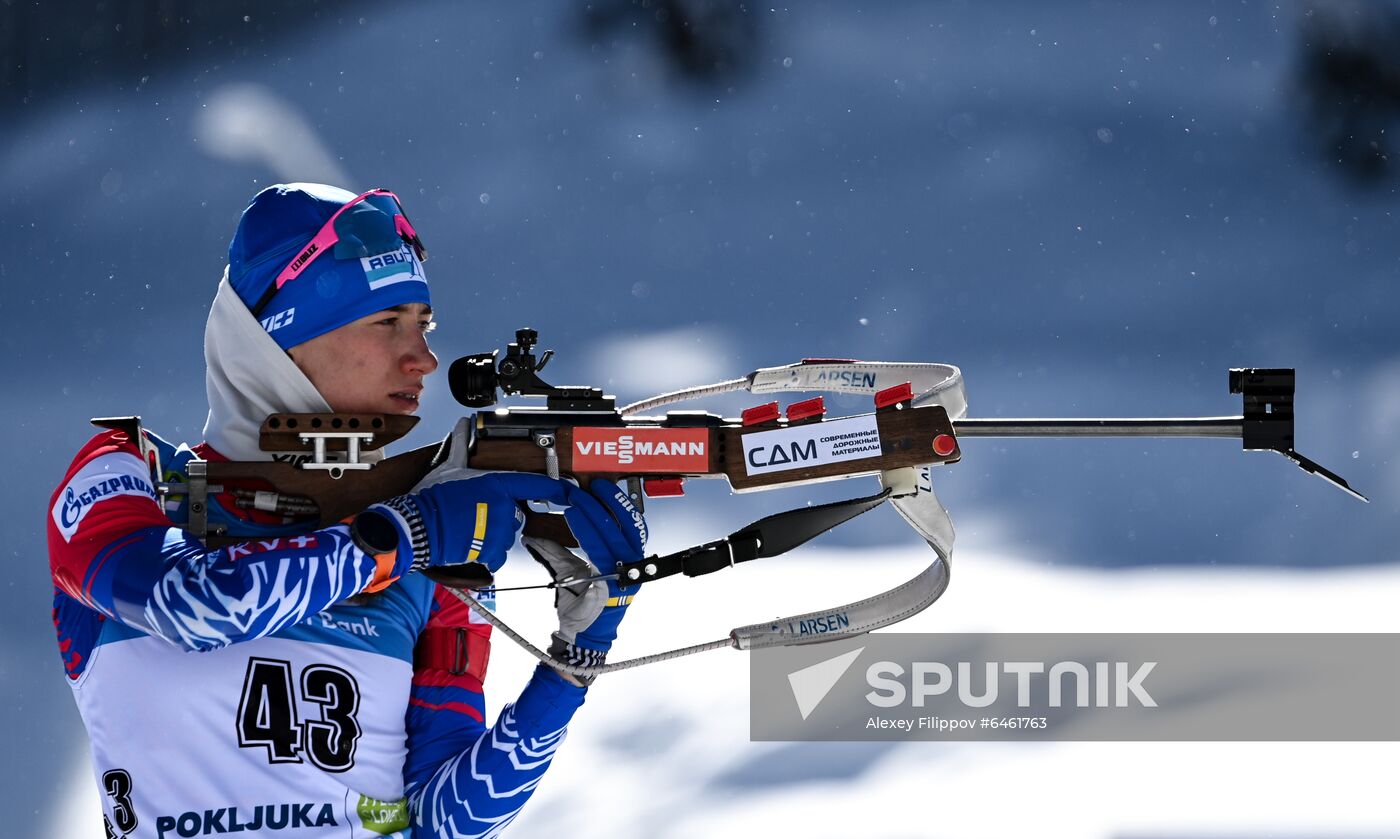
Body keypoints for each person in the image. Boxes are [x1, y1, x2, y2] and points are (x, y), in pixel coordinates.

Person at [47, 183, 644, 838]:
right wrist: (401, 537)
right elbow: (190, 606)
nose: (424, 357)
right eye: (386, 322)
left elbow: (445, 821)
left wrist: (575, 657)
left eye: (424, 323)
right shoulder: (129, 474)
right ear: (277, 337)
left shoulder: (424, 545)